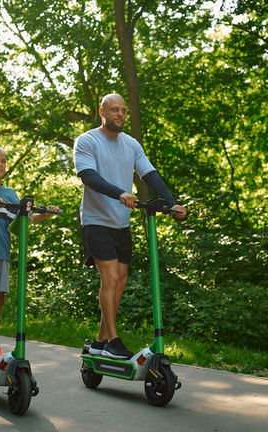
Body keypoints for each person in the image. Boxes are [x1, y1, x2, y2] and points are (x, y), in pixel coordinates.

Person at [74, 93, 187, 359]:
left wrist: (172, 203)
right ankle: (113, 340)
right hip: (96, 220)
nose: (120, 114)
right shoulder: (88, 140)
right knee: (110, 279)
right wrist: (119, 193)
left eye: (123, 110)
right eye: (114, 110)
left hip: (121, 223)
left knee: (120, 282)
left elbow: (149, 174)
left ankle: (100, 341)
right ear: (102, 111)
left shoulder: (131, 144)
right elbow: (88, 176)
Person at [0, 145, 59, 363]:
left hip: (3, 252)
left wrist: (45, 214)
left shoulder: (9, 194)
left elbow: (19, 224)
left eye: (3, 161)